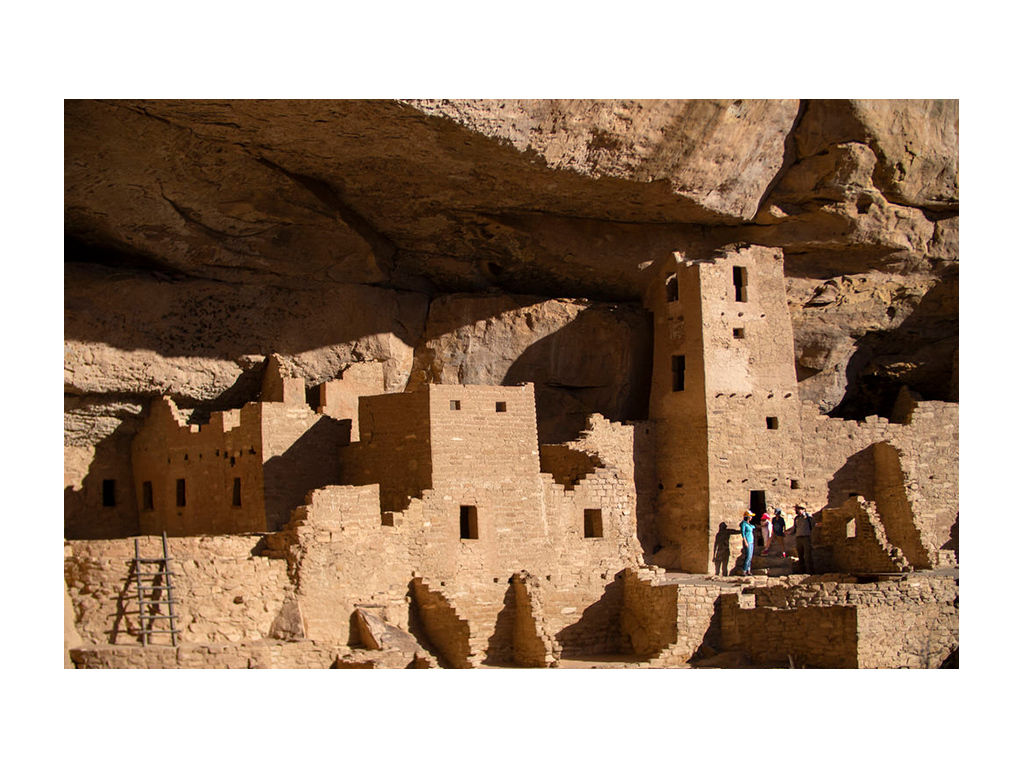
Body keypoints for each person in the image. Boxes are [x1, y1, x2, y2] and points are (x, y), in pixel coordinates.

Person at [793, 504, 815, 575]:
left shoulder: (808, 517)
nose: (798, 511)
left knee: (808, 556)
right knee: (800, 555)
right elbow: (795, 529)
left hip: (806, 537)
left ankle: (810, 572)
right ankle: (801, 572)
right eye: (797, 509)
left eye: (800, 509)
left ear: (803, 510)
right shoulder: (796, 518)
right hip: (798, 538)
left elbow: (812, 525)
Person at [740, 510, 756, 576]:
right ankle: (744, 570)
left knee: (750, 557)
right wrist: (745, 541)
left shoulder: (749, 524)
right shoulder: (743, 524)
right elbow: (743, 533)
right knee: (748, 556)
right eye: (750, 516)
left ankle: (748, 570)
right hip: (748, 541)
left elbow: (753, 527)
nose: (751, 518)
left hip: (751, 541)